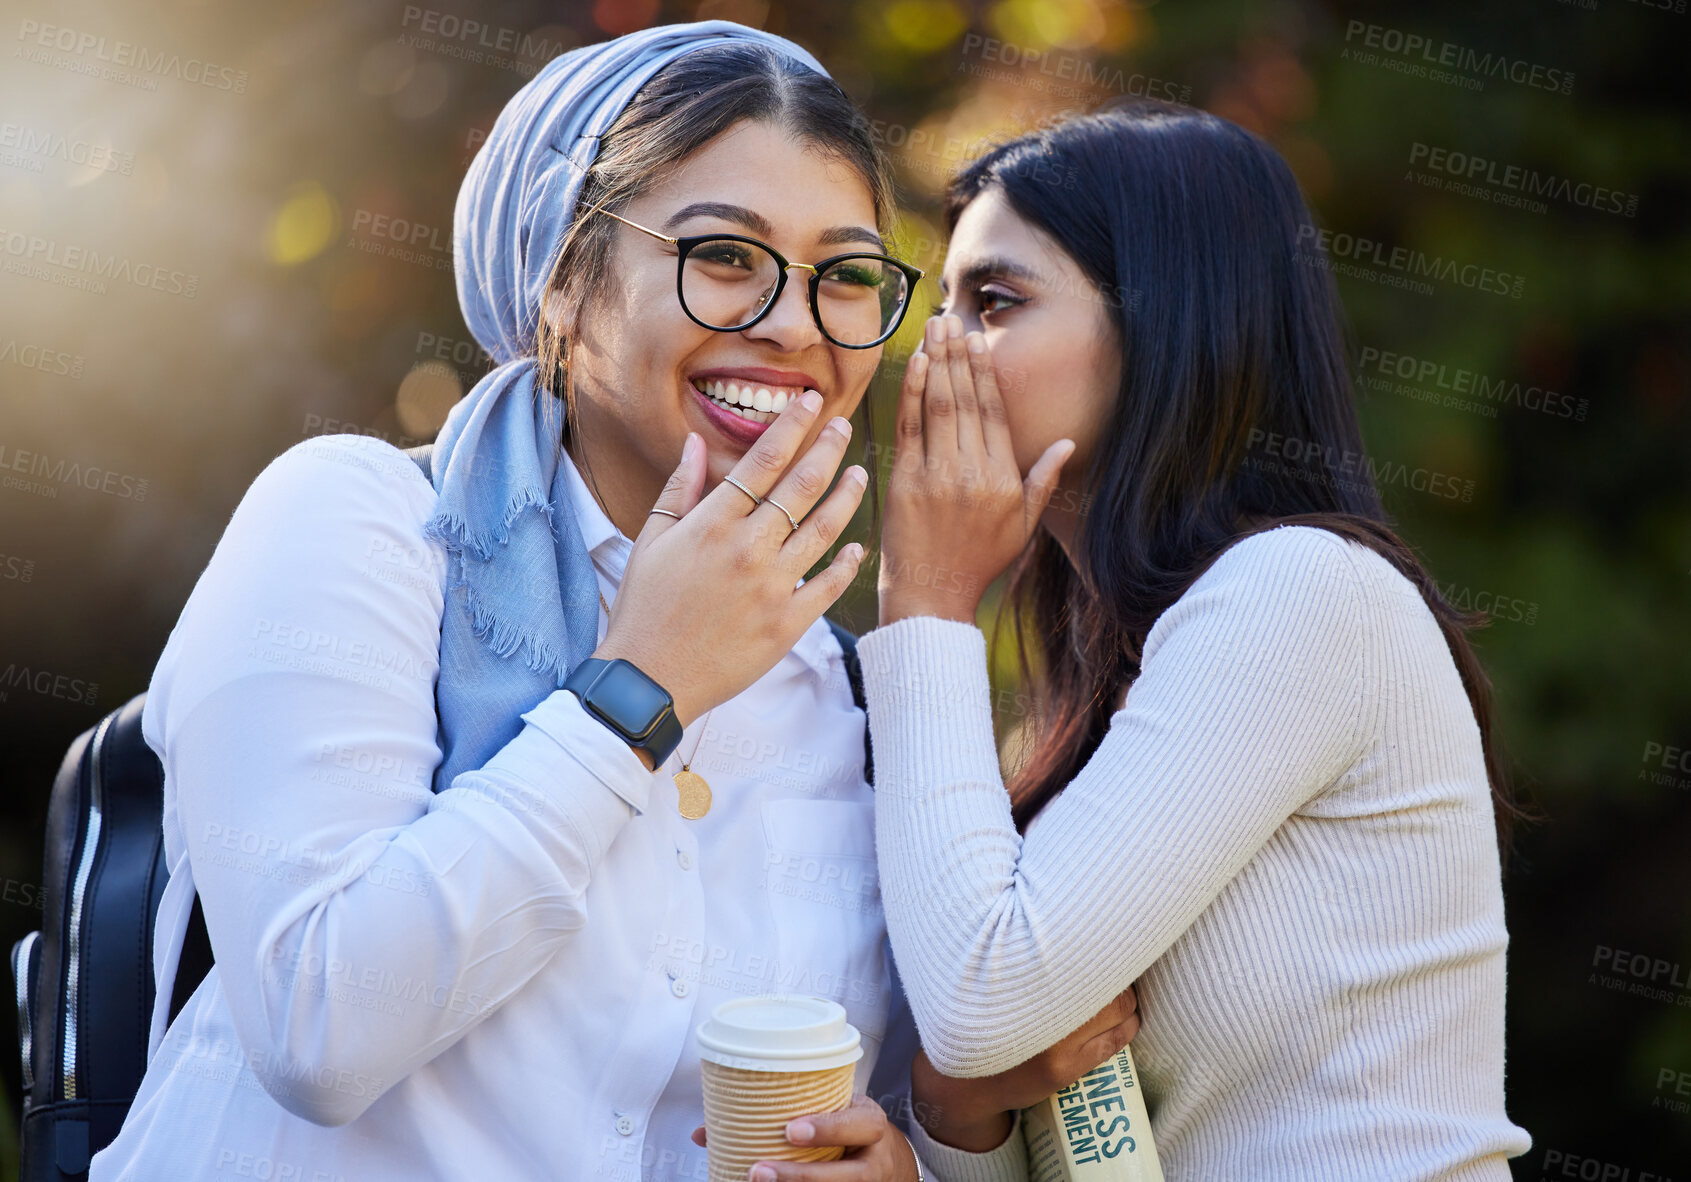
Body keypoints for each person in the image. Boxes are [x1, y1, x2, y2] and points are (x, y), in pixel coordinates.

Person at [90, 22, 1014, 1182]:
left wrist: (897, 1169)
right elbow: (316, 1029)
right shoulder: (361, 525)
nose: (793, 324)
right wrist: (639, 692)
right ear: (563, 281)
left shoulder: (846, 696)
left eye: (843, 276)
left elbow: (859, 1103)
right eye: (724, 255)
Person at [859, 101, 1535, 1179]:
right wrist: (951, 1109)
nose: (939, 348)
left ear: (1167, 320)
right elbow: (1022, 1076)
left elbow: (979, 997)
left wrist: (927, 603)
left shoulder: (1303, 595)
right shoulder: (1111, 661)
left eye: (994, 301)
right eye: (940, 305)